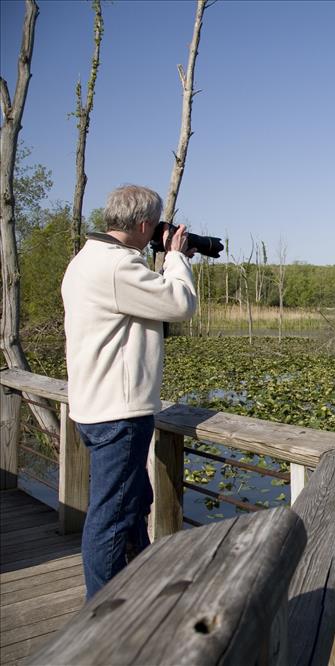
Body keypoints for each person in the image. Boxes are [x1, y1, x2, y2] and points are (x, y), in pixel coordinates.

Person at [61, 184, 197, 598]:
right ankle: (103, 612)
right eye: (154, 226)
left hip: (94, 408)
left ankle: (137, 589)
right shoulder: (117, 267)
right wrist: (175, 256)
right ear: (142, 225)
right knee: (111, 518)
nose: (155, 232)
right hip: (117, 415)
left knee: (133, 503)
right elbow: (180, 304)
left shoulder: (86, 260)